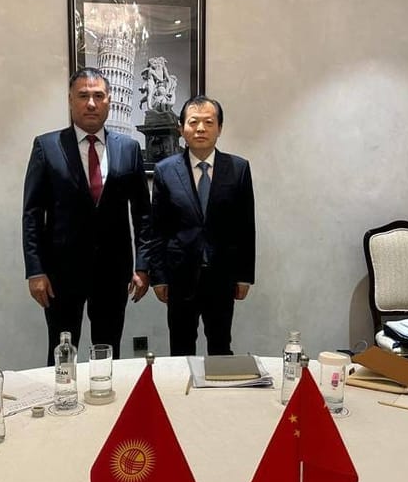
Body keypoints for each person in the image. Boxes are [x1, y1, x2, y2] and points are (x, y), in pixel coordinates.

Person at [23, 67, 152, 366]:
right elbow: (32, 214)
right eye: (83, 96)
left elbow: (143, 214)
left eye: (98, 96)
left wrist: (143, 265)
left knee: (108, 352)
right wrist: (35, 270)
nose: (91, 103)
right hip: (60, 273)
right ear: (70, 101)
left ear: (109, 100)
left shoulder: (129, 149)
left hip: (113, 272)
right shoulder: (47, 147)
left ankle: (106, 397)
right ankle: (63, 395)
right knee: (61, 352)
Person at [149, 95, 255, 356]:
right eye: (193, 122)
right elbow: (158, 229)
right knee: (181, 348)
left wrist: (244, 275)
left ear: (220, 128)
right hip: (180, 276)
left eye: (208, 122)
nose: (200, 129)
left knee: (221, 346)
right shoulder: (165, 170)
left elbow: (245, 226)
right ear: (181, 128)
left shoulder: (238, 168)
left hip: (222, 274)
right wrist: (158, 277)